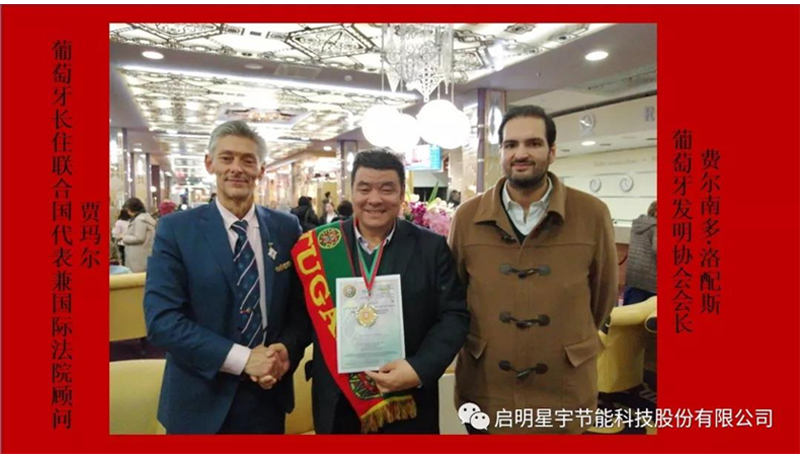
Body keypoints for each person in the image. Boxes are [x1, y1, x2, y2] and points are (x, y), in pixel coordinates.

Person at [448, 105, 618, 435]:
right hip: (487, 385)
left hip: (564, 386)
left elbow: (603, 297)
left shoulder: (592, 214)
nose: (521, 153)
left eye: (533, 143)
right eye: (511, 145)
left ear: (552, 152)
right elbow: (455, 296)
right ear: (501, 153)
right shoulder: (467, 217)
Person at [143, 120, 310, 434]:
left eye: (248, 160)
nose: (237, 168)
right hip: (199, 400)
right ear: (210, 164)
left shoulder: (286, 228)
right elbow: (162, 321)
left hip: (267, 396)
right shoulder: (177, 230)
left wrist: (285, 351)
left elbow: (299, 311)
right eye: (227, 158)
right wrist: (244, 359)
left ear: (261, 170)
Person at [291, 149, 469, 434]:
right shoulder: (322, 246)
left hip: (408, 400)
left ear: (401, 194)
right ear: (351, 192)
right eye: (364, 189)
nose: (374, 199)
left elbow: (454, 315)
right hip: (338, 404)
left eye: (387, 189)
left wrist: (419, 368)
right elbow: (298, 317)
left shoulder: (430, 248)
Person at [623, 200, 657, 305]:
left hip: (633, 274)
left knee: (630, 308)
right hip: (650, 277)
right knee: (649, 309)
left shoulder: (637, 224)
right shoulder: (656, 226)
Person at [121, 197, 157, 273]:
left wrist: (124, 238)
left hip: (138, 257)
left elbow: (139, 238)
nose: (127, 213)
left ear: (131, 209)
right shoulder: (145, 218)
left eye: (127, 210)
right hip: (143, 254)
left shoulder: (140, 220)